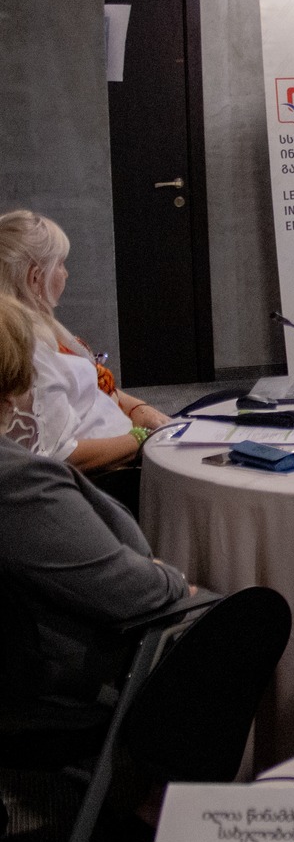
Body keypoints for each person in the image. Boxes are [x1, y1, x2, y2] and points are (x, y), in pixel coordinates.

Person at [0, 294, 190, 710]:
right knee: (247, 618)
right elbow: (133, 592)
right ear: (11, 393)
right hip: (64, 679)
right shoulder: (19, 481)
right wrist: (172, 578)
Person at [0, 210, 168, 472]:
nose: (66, 274)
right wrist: (143, 438)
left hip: (124, 443)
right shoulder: (29, 352)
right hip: (114, 474)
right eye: (60, 264)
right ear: (35, 278)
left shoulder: (39, 328)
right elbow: (61, 455)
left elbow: (90, 390)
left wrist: (138, 408)